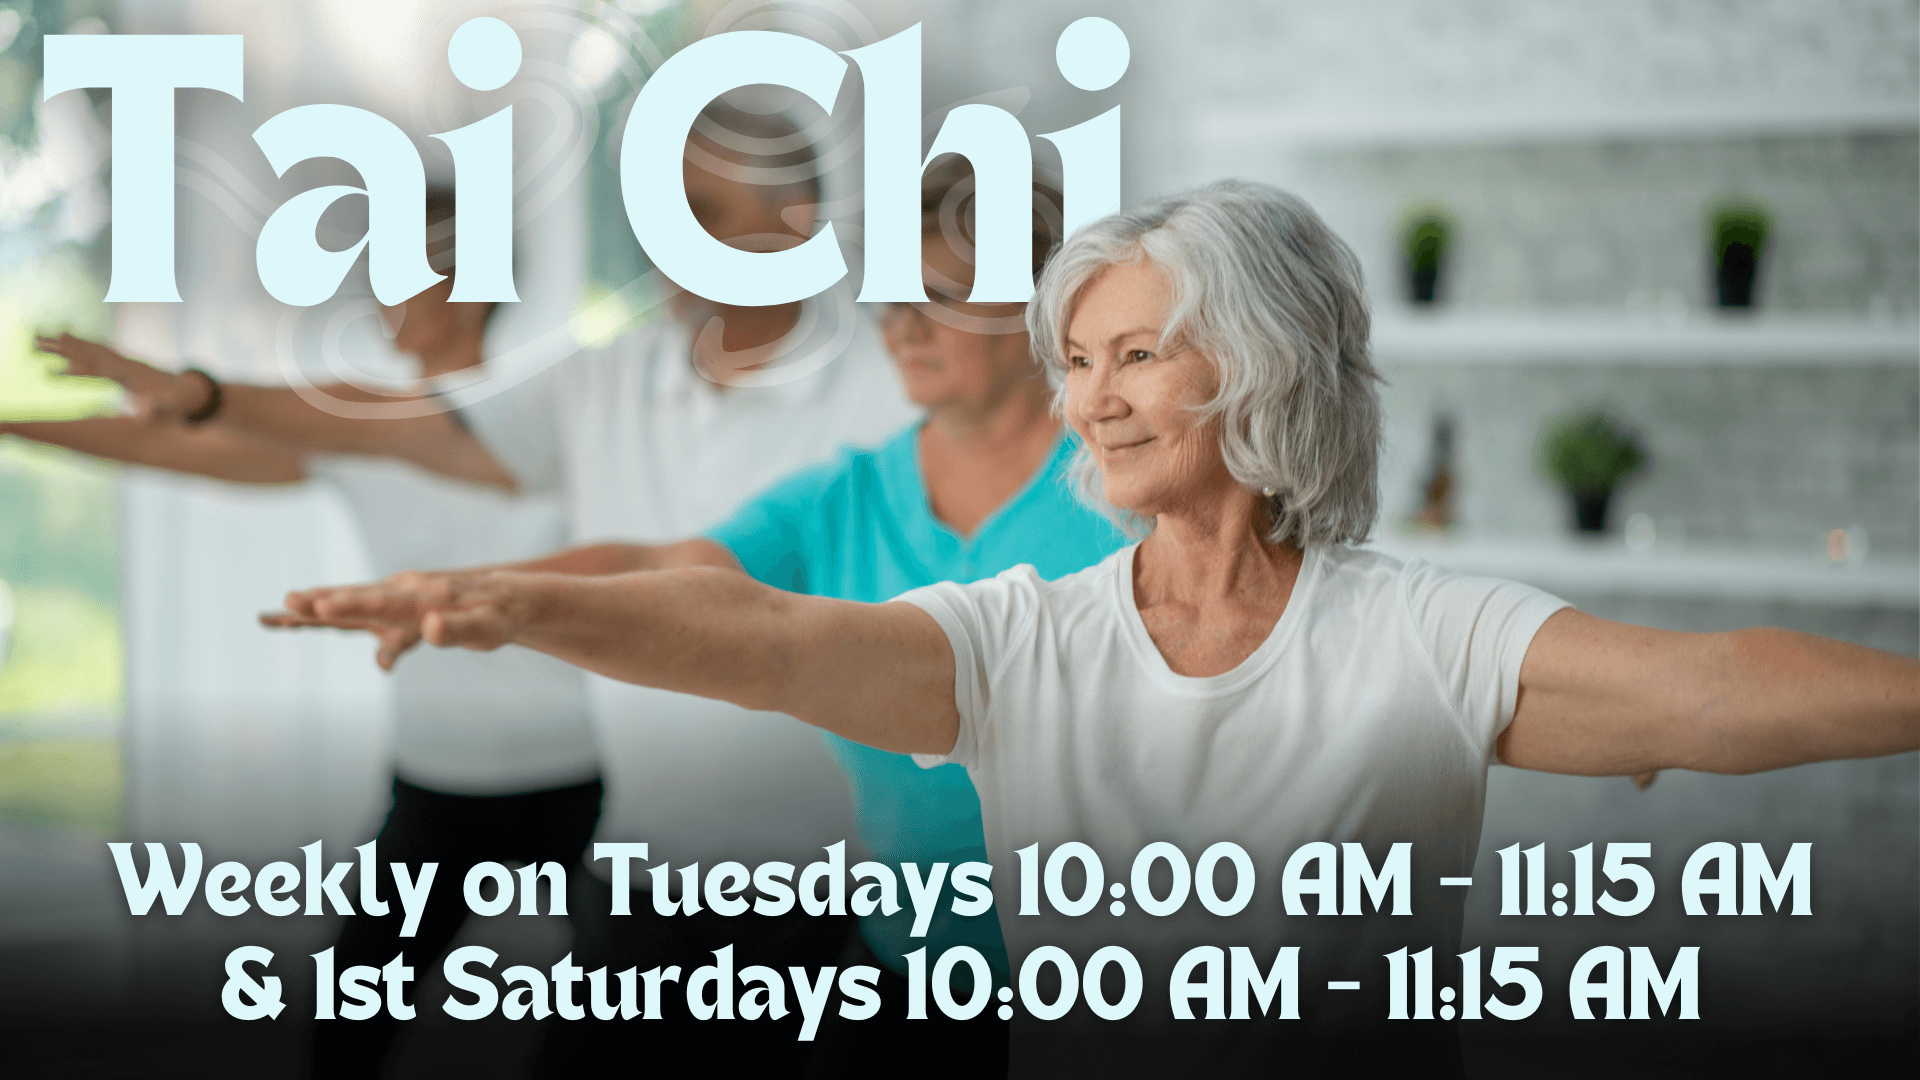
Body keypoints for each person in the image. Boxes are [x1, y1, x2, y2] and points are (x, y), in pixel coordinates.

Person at [268, 179, 1920, 1074]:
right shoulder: (1014, 640)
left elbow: (1709, 697)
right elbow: (757, 635)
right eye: (1083, 357)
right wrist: (507, 599)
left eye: (1139, 354)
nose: (1096, 397)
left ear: (1263, 366)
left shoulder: (1424, 636)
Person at [35, 99, 919, 1064]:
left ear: (795, 228)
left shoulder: (896, 387)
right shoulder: (595, 383)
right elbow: (394, 427)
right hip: (643, 859)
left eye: (702, 211)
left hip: (845, 883)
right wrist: (201, 394)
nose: (669, 244)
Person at [310, 157, 1125, 1074]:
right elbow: (671, 569)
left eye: (938, 298)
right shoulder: (845, 495)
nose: (902, 329)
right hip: (911, 979)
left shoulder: (1133, 494)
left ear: (1044, 313)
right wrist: (498, 596)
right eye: (891, 299)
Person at [8, 193, 603, 1078]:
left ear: (472, 286)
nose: (380, 289)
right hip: (442, 779)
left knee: (628, 1013)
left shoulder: (561, 417)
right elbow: (164, 448)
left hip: (585, 778)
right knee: (351, 1021)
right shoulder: (348, 430)